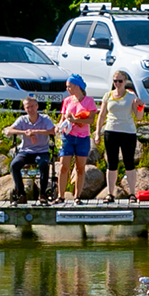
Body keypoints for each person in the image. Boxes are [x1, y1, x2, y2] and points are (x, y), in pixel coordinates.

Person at [96, 70, 145, 201]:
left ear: (125, 82)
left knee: (129, 163)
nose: (117, 84)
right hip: (111, 131)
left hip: (128, 132)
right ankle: (110, 193)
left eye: (120, 81)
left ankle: (132, 193)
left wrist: (140, 106)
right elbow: (101, 116)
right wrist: (97, 133)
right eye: (115, 81)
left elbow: (138, 117)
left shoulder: (131, 96)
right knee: (111, 163)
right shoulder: (108, 95)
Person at [5, 95, 56, 202]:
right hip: (25, 151)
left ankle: (42, 193)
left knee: (43, 164)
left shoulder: (45, 119)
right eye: (28, 107)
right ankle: (21, 193)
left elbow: (53, 131)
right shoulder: (22, 120)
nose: (30, 109)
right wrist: (25, 133)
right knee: (14, 165)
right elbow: (8, 131)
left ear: (37, 106)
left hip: (42, 151)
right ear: (25, 108)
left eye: (32, 106)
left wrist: (35, 132)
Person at [56, 74, 97, 203]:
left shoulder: (89, 101)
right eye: (67, 86)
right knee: (64, 166)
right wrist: (58, 126)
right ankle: (60, 195)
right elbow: (63, 118)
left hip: (82, 138)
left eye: (70, 86)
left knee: (80, 167)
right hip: (67, 136)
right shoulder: (67, 101)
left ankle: (77, 196)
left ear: (77, 86)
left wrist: (75, 119)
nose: (68, 89)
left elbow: (91, 120)